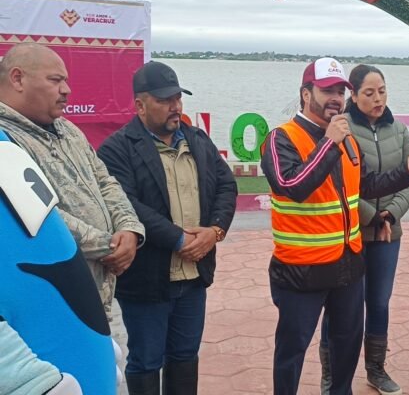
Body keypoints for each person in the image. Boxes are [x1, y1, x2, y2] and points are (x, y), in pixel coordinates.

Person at [260, 57, 409, 395]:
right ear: (306, 93)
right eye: (327, 91)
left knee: (347, 346)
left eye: (340, 92)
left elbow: (365, 186)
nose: (336, 99)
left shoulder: (346, 139)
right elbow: (291, 186)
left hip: (347, 265)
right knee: (292, 351)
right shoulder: (282, 137)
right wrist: (329, 143)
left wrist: (407, 172)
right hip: (301, 269)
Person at [98, 61, 237, 394]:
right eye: (164, 100)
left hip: (193, 276)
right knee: (146, 361)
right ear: (140, 105)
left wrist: (214, 231)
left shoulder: (197, 140)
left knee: (185, 356)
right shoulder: (117, 148)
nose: (175, 106)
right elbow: (127, 203)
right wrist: (179, 239)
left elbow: (226, 186)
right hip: (147, 280)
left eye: (177, 98)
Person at [0, 43, 144, 314]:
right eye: (55, 80)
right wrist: (110, 246)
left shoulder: (67, 128)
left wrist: (130, 228)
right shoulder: (4, 139)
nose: (66, 90)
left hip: (96, 291)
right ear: (17, 79)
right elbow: (41, 216)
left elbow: (105, 180)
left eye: (65, 80)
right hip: (49, 301)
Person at [317, 65, 409, 395]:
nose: (378, 99)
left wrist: (390, 215)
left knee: (379, 303)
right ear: (354, 95)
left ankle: (376, 368)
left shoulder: (399, 131)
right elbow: (340, 183)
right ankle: (331, 374)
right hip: (350, 233)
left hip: (388, 234)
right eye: (369, 93)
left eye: (382, 91)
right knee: (341, 306)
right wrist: (372, 217)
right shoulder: (341, 129)